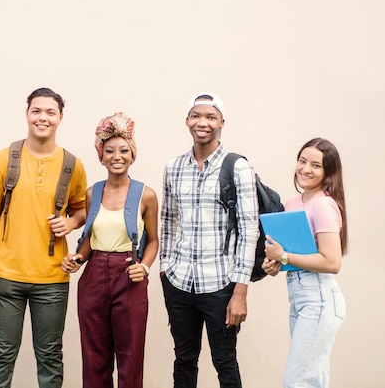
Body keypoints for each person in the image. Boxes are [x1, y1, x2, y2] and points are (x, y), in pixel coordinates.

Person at [0, 87, 87, 388]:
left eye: (50, 112)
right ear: (27, 114)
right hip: (5, 275)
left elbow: (81, 210)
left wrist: (71, 222)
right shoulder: (3, 159)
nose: (43, 117)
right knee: (2, 354)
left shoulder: (72, 165)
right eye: (37, 111)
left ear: (60, 117)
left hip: (52, 279)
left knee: (50, 355)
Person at [160, 93, 259, 388]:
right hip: (179, 283)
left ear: (221, 123)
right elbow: (167, 220)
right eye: (196, 116)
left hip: (221, 284)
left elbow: (248, 229)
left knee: (225, 361)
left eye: (210, 117)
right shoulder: (174, 167)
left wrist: (240, 292)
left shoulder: (237, 167)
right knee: (184, 359)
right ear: (187, 121)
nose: (202, 122)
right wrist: (166, 267)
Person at [61, 112, 159, 388]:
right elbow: (90, 236)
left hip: (129, 275)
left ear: (132, 155)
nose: (117, 156)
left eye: (124, 150)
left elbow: (153, 240)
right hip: (93, 279)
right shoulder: (93, 192)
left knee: (130, 355)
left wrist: (145, 266)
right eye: (110, 150)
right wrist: (77, 258)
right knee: (94, 356)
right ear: (101, 155)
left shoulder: (146, 194)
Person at [262, 138, 347, 388]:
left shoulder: (323, 204)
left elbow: (332, 262)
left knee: (298, 380)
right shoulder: (292, 203)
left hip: (319, 298)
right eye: (302, 161)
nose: (306, 169)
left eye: (316, 165)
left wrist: (284, 256)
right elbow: (295, 255)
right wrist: (276, 264)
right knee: (314, 378)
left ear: (328, 171)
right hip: (299, 297)